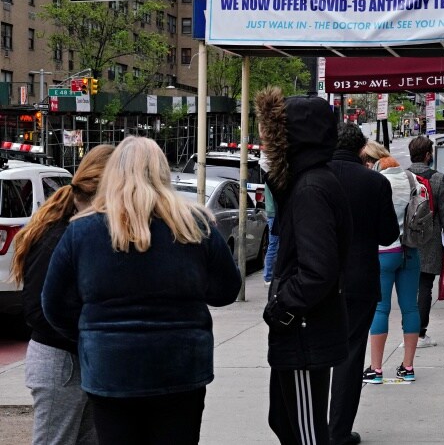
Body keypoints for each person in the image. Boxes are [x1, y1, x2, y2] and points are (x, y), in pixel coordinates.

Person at [41, 136, 241, 445]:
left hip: (111, 369)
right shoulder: (195, 225)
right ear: (162, 172)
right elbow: (226, 289)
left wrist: (90, 334)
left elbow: (52, 303)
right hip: (181, 368)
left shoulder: (82, 230)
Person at [255, 87, 352, 445]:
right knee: (285, 421)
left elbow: (317, 270)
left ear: (292, 139)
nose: (265, 145)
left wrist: (282, 307)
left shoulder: (312, 187)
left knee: (306, 433)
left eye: (273, 137)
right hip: (302, 333)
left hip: (304, 334)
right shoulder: (308, 184)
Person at [11, 144, 114, 445]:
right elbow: (36, 309)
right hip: (61, 361)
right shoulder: (60, 233)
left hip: (75, 359)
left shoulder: (78, 228)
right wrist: (88, 331)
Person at [329, 124, 399, 445]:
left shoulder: (314, 178)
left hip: (317, 279)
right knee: (351, 353)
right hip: (359, 279)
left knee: (314, 353)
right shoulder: (374, 182)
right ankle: (338, 430)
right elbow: (388, 235)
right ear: (362, 150)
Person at [360, 140, 421, 383]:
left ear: (371, 162)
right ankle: (408, 367)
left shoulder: (375, 183)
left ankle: (375, 369)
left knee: (380, 308)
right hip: (410, 249)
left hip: (384, 251)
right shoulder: (410, 179)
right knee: (410, 308)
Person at [408, 135, 444, 348]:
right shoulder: (438, 179)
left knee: (407, 287)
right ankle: (420, 334)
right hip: (430, 238)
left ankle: (407, 332)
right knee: (425, 286)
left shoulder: (402, 176)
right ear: (428, 155)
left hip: (406, 238)